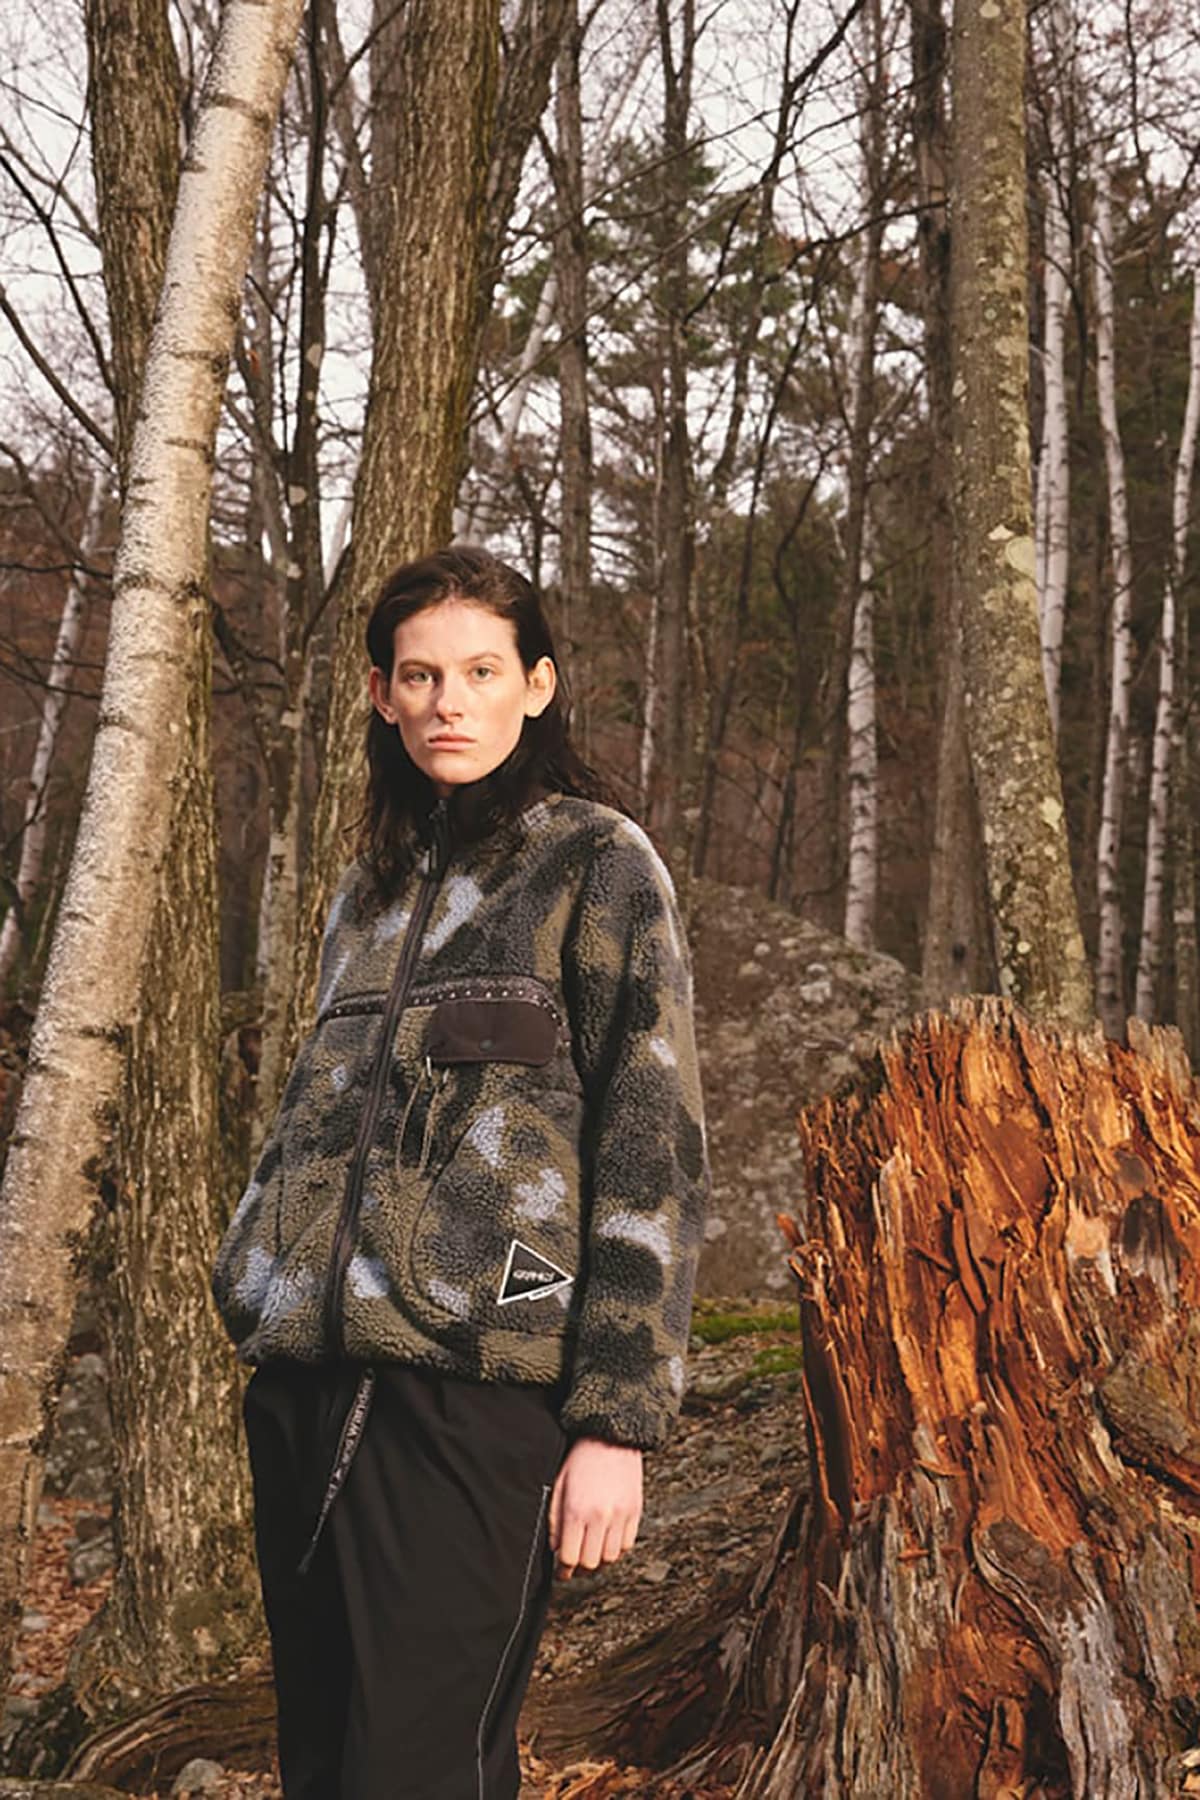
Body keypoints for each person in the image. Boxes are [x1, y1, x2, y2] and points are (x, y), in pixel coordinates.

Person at [211, 546, 710, 1800]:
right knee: (323, 1765)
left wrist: (616, 1422)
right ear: (382, 694)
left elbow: (651, 1146)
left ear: (536, 686)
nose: (450, 702)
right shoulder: (365, 895)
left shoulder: (596, 866)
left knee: (418, 1768)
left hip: (473, 1398)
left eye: (482, 672)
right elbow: (309, 1115)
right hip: (302, 1386)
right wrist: (254, 1277)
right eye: (422, 675)